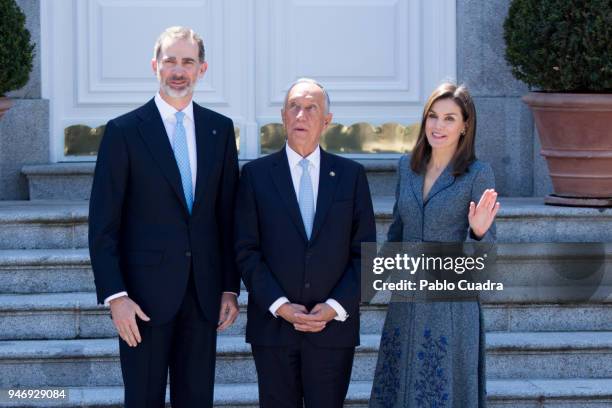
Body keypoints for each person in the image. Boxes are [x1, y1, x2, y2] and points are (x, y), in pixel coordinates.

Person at [88, 26, 240, 408]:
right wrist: (116, 296)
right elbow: (103, 224)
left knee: (196, 400)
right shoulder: (123, 132)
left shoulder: (219, 131)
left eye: (187, 62)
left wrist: (229, 287)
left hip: (203, 297)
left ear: (202, 69)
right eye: (170, 60)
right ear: (155, 65)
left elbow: (227, 217)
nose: (178, 70)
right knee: (143, 399)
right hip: (142, 300)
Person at [235, 78, 377, 408]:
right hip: (273, 327)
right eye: (294, 107)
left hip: (332, 330)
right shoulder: (255, 176)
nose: (302, 115)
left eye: (311, 108)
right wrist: (280, 306)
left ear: (327, 120)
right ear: (283, 116)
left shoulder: (351, 176)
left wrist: (334, 308)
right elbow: (245, 250)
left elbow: (365, 254)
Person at [369, 82, 500, 407]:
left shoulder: (477, 174)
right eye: (433, 116)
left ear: (465, 125)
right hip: (406, 300)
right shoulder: (407, 167)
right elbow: (396, 234)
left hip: (450, 306)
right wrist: (364, 286)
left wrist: (480, 233)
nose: (438, 126)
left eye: (449, 118)